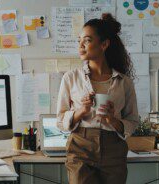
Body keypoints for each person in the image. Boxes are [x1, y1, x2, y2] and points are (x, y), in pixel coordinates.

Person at [56, 13, 139, 184]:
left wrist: (113, 120)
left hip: (114, 149)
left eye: (87, 40)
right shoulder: (71, 78)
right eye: (79, 40)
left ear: (104, 44)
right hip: (80, 146)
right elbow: (60, 120)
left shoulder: (125, 82)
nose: (80, 45)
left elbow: (133, 121)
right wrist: (81, 111)